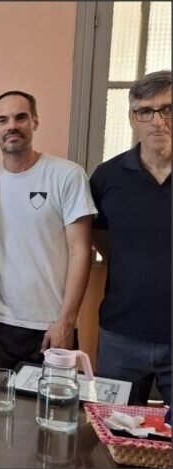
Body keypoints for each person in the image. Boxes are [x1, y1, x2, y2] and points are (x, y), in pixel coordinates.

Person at [0, 90, 97, 372]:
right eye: (2, 120)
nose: (12, 126)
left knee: (54, 413)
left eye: (21, 117)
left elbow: (81, 251)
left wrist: (66, 321)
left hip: (51, 326)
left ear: (35, 122)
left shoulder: (67, 175)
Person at [90, 70, 171, 405]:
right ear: (132, 118)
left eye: (167, 109)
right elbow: (101, 241)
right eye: (145, 111)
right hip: (121, 335)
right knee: (112, 436)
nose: (157, 121)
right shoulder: (107, 177)